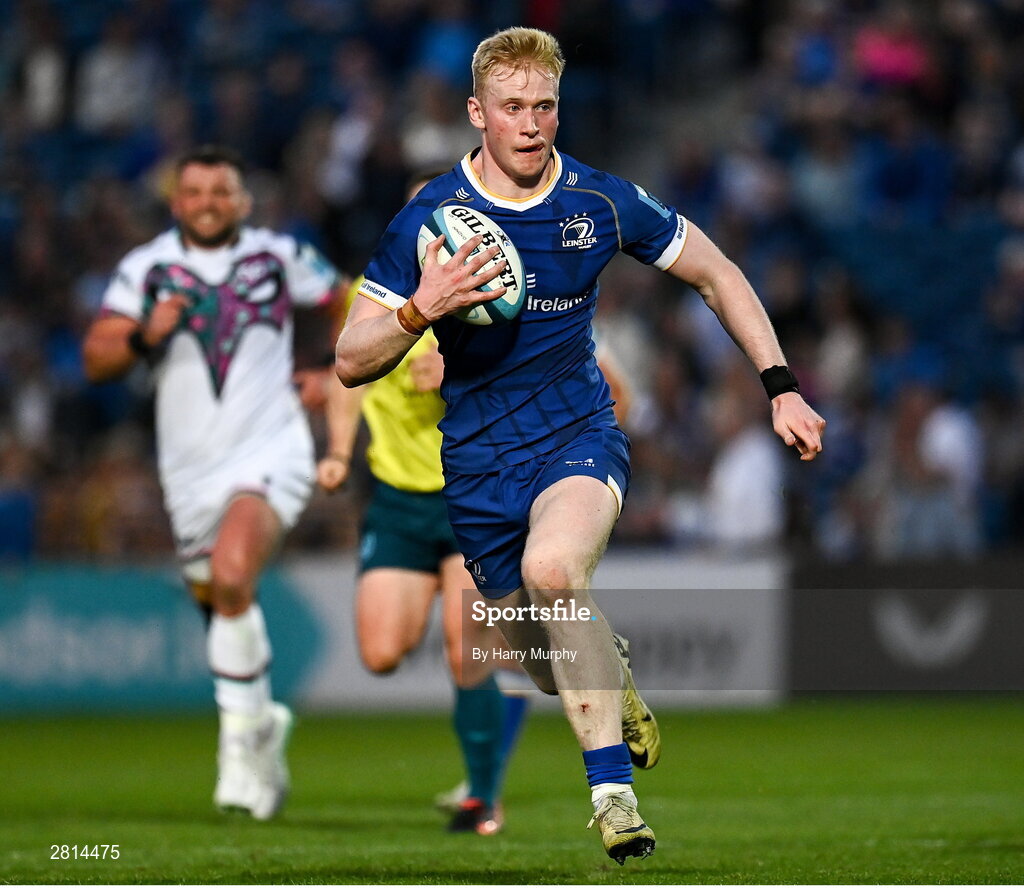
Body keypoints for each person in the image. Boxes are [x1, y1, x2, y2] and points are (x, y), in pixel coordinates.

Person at [335, 27, 826, 864]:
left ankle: (612, 796)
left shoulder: (599, 202)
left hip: (577, 438)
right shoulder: (427, 222)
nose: (531, 124)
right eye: (512, 107)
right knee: (536, 661)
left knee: (554, 574)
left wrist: (779, 383)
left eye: (545, 106)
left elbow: (717, 273)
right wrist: (423, 305)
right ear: (476, 113)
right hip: (477, 466)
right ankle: (614, 672)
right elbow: (350, 359)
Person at [81, 144, 343, 821]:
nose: (207, 203)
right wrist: (145, 334)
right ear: (176, 201)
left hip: (271, 446)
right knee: (221, 599)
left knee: (232, 575)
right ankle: (261, 727)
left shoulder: (276, 255)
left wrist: (331, 370)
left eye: (221, 192)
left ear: (243, 200)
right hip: (188, 470)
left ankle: (236, 745)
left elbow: (349, 300)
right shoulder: (146, 269)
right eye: (195, 192)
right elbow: (96, 355)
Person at [317, 267, 527, 836]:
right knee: (381, 653)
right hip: (398, 500)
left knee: (468, 652)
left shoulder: (496, 290)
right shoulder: (373, 293)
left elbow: (532, 381)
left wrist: (463, 369)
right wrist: (338, 450)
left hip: (475, 491)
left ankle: (482, 798)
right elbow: (347, 375)